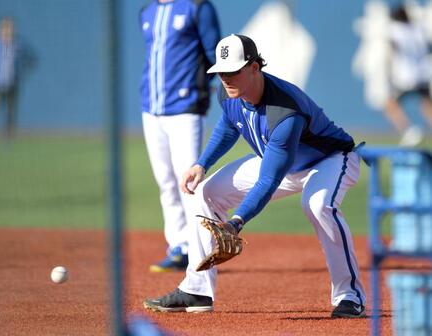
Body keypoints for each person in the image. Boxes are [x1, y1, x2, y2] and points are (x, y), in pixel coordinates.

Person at [143, 34, 367, 318]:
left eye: (233, 71)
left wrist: (236, 222)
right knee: (205, 193)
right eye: (221, 71)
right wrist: (202, 164)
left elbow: (268, 181)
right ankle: (197, 290)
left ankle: (350, 296)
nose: (226, 78)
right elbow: (227, 127)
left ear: (254, 67)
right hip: (277, 162)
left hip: (330, 161)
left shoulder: (285, 112)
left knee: (318, 205)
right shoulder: (229, 92)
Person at [139, 0, 221, 272]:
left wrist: (201, 84)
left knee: (188, 180)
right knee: (165, 181)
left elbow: (214, 53)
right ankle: (178, 246)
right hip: (151, 107)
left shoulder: (197, 6)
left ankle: (198, 247)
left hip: (185, 107)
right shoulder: (147, 11)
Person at [384, 4, 432, 146]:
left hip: (406, 76)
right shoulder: (418, 29)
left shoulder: (395, 29)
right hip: (423, 73)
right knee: (427, 104)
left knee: (390, 104)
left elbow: (392, 46)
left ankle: (408, 130)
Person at [0, 17, 33, 141]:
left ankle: (8, 138)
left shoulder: (18, 46)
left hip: (12, 85)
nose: (7, 32)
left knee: (10, 112)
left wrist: (22, 72)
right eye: (4, 29)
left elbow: (30, 59)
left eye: (10, 29)